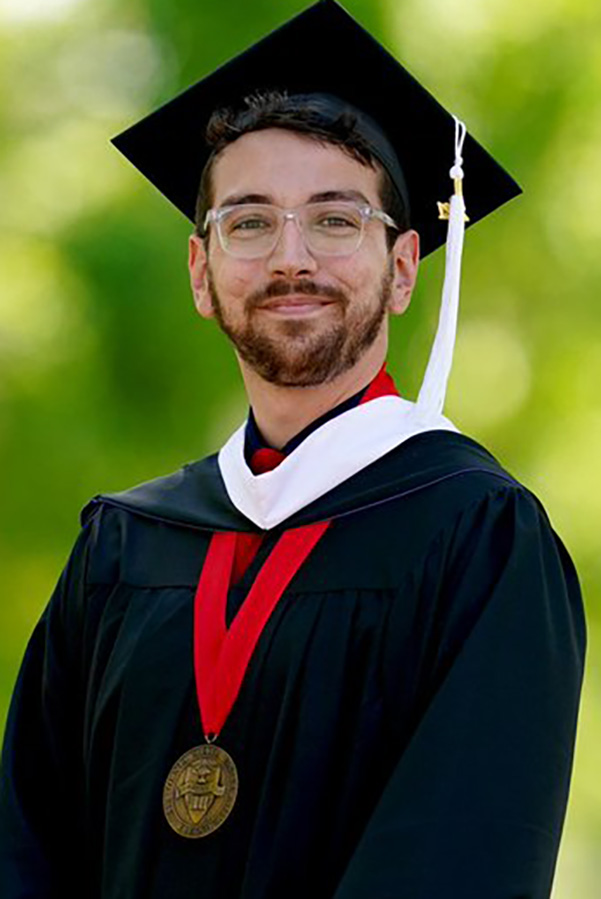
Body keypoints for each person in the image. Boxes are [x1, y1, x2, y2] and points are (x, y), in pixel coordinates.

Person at [0, 2, 586, 897]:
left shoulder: (479, 540)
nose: (290, 257)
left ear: (401, 270)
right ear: (201, 273)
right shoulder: (121, 549)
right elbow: (27, 852)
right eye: (248, 222)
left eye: (335, 220)